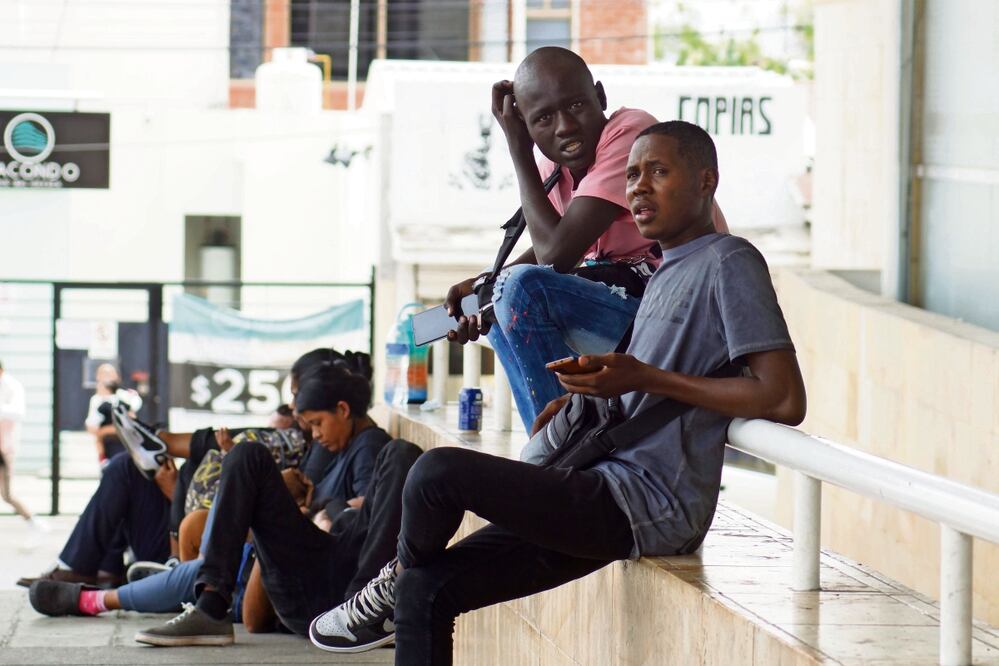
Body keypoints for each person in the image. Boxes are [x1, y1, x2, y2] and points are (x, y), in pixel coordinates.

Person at [308, 121, 806, 662]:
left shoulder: (730, 260)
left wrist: (643, 377)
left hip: (646, 501)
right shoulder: (665, 271)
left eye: (658, 172)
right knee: (426, 591)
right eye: (631, 175)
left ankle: (394, 573)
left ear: (707, 181)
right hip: (602, 480)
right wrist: (584, 398)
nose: (638, 187)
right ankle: (401, 581)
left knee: (436, 474)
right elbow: (647, 386)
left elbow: (783, 398)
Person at [443, 47, 728, 430]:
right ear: (527, 124)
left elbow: (556, 255)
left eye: (576, 105)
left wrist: (518, 148)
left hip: (683, 320)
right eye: (543, 118)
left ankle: (557, 448)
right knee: (498, 300)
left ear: (601, 97)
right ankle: (552, 442)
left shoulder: (633, 136)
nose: (564, 127)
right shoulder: (552, 169)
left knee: (519, 290)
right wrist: (485, 285)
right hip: (640, 315)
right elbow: (552, 249)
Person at [133, 356, 423, 646]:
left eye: (317, 423)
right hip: (307, 583)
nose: (316, 434)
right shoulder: (332, 449)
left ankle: (366, 612)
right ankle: (210, 607)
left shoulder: (370, 445)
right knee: (246, 454)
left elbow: (368, 509)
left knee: (401, 453)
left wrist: (325, 507)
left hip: (354, 583)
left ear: (343, 410)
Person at [0, 360, 41, 526]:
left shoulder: (12, 386)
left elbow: (18, 412)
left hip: (4, 447)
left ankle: (32, 520)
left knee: (7, 494)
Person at [85, 363, 142, 467]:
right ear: (98, 377)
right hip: (109, 445)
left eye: (110, 373)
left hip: (127, 444)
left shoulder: (124, 395)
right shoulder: (96, 400)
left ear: (117, 376)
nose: (107, 377)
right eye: (103, 373)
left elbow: (132, 416)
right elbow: (92, 427)